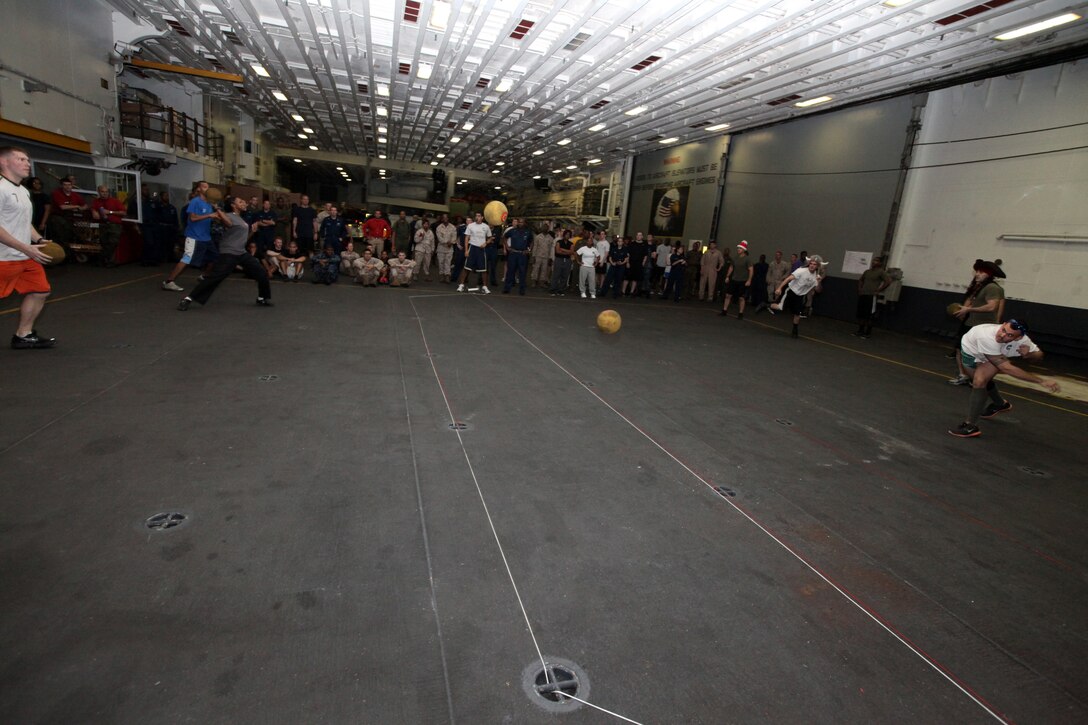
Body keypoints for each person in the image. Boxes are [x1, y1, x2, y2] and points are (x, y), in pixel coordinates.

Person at [948, 320, 1060, 438]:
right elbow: (1007, 369)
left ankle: (970, 426)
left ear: (1018, 338)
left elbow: (1039, 355)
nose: (1002, 335)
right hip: (972, 352)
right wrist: (1041, 381)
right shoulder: (986, 336)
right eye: (1003, 330)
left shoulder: (1023, 340)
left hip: (993, 355)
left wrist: (1029, 354)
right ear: (1003, 324)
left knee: (979, 382)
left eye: (1009, 335)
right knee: (982, 380)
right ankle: (1000, 404)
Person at [0, 147, 58, 349]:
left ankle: (23, 334)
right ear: (4, 162)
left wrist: (38, 239)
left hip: (24, 256)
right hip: (3, 258)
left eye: (27, 159)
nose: (27, 163)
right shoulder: (0, 188)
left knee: (40, 291)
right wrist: (25, 247)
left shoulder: (23, 190)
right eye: (21, 159)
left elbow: (25, 222)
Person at [176, 195, 272, 311]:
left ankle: (262, 297)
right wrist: (217, 208)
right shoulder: (228, 216)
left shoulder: (241, 219)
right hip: (229, 253)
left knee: (261, 272)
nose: (244, 203)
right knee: (214, 278)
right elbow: (228, 224)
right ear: (233, 205)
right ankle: (188, 299)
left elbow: (243, 239)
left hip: (241, 252)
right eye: (241, 201)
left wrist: (253, 231)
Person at [949, 260, 1006, 385]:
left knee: (978, 354)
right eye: (977, 272)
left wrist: (969, 309)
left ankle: (976, 378)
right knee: (960, 349)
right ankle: (963, 375)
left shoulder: (992, 288)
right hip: (970, 324)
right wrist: (963, 311)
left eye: (981, 272)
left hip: (981, 327)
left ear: (989, 274)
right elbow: (970, 302)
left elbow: (992, 307)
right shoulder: (978, 287)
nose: (977, 274)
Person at [162, 181, 215, 291]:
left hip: (206, 237)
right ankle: (169, 281)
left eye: (208, 187)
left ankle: (204, 276)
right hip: (194, 237)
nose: (207, 189)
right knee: (186, 258)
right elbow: (193, 218)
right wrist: (209, 215)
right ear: (199, 189)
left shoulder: (209, 203)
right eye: (204, 187)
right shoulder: (195, 201)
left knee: (215, 258)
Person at [770, 254, 823, 338]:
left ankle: (795, 330)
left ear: (817, 266)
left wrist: (819, 282)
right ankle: (767, 304)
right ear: (809, 264)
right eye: (811, 264)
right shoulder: (801, 271)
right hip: (791, 291)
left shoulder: (816, 277)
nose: (812, 266)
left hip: (800, 295)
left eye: (814, 264)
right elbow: (788, 278)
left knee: (797, 313)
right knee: (781, 308)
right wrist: (779, 288)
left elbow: (818, 290)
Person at [854, 256, 892, 338]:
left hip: (872, 296)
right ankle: (860, 331)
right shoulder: (867, 271)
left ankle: (867, 333)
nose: (874, 262)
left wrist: (879, 290)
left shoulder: (881, 272)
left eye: (876, 261)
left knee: (869, 315)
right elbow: (861, 280)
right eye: (874, 260)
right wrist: (860, 289)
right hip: (863, 294)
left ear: (880, 263)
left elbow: (888, 281)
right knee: (861, 313)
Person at [456, 211, 492, 293]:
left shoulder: (486, 227)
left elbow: (490, 238)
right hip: (472, 248)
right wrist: (466, 250)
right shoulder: (470, 226)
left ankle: (485, 286)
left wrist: (486, 243)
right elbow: (466, 238)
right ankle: (461, 285)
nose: (477, 217)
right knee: (466, 268)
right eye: (476, 216)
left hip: (481, 249)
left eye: (479, 216)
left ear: (482, 217)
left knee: (484, 269)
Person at [90, 186, 126, 266]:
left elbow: (123, 212)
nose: (105, 193)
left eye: (106, 191)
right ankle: (108, 261)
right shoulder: (96, 201)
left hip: (114, 224)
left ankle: (102, 258)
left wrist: (110, 212)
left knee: (113, 242)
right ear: (99, 192)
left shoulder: (115, 201)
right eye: (102, 191)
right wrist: (94, 211)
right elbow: (93, 208)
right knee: (104, 243)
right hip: (103, 224)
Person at [720, 240, 753, 319]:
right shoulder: (735, 258)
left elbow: (751, 270)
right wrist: (727, 276)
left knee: (741, 298)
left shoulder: (747, 259)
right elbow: (731, 267)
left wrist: (749, 280)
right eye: (738, 248)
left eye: (740, 248)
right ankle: (724, 310)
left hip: (743, 281)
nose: (738, 249)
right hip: (734, 279)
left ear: (744, 250)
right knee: (728, 295)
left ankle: (740, 313)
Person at [501, 217, 532, 295]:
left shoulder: (528, 232)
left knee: (522, 272)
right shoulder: (512, 231)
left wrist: (529, 250)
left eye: (522, 222)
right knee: (510, 271)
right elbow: (504, 237)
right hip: (513, 253)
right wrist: (507, 247)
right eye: (519, 222)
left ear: (524, 223)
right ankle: (507, 288)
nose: (520, 223)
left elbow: (532, 241)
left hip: (522, 254)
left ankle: (522, 289)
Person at [549, 229, 575, 296]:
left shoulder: (571, 243)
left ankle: (561, 290)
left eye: (569, 235)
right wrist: (567, 252)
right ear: (564, 235)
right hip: (558, 260)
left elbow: (572, 252)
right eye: (566, 234)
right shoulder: (558, 242)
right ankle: (553, 289)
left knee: (565, 275)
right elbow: (557, 251)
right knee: (556, 275)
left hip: (567, 261)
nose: (567, 236)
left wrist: (562, 250)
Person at [434, 213, 457, 283]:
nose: (445, 219)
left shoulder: (453, 227)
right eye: (443, 218)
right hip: (441, 248)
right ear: (442, 219)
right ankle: (442, 275)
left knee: (448, 262)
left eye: (446, 218)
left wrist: (452, 242)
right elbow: (439, 238)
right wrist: (447, 242)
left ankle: (447, 276)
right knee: (441, 262)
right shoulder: (439, 227)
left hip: (449, 249)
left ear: (448, 219)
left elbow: (454, 237)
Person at [530, 224, 554, 288]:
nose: (545, 228)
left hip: (546, 257)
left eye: (546, 227)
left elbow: (551, 248)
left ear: (548, 229)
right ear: (542, 228)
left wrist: (551, 258)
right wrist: (533, 256)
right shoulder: (538, 237)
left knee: (544, 270)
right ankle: (534, 282)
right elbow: (535, 247)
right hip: (538, 256)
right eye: (544, 227)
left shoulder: (550, 238)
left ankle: (542, 283)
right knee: (535, 269)